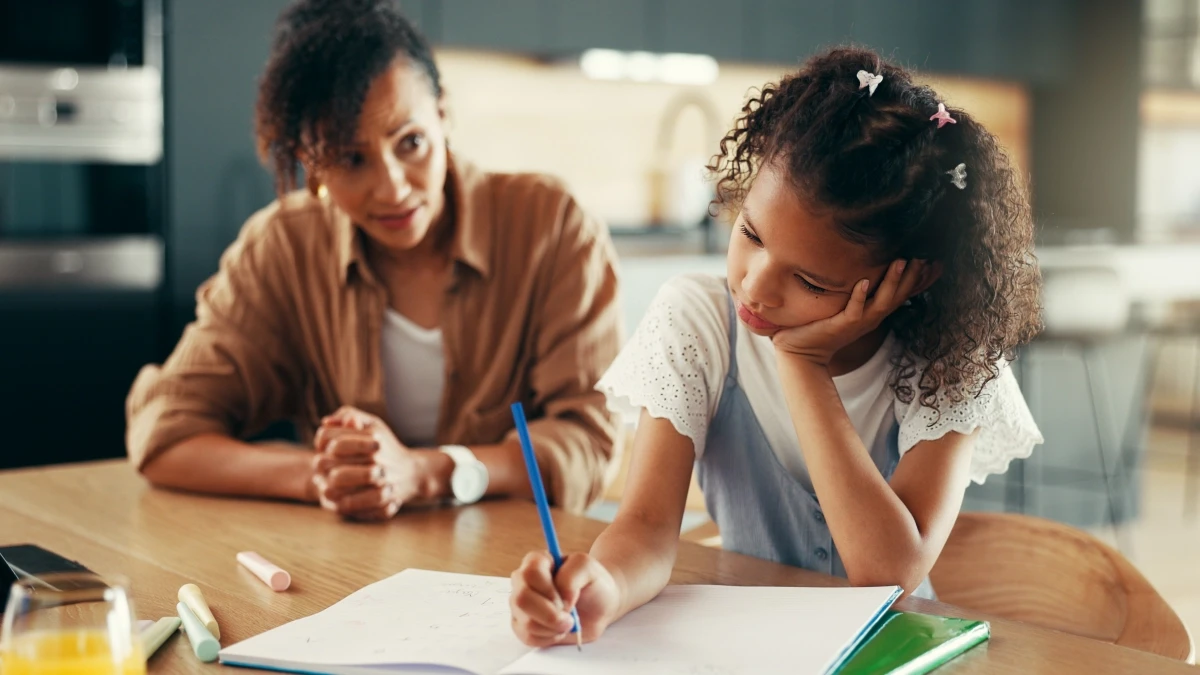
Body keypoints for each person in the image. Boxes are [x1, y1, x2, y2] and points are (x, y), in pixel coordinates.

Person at [509, 47, 1044, 646]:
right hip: (745, 646)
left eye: (812, 282)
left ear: (912, 278)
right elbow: (646, 528)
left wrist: (803, 363)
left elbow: (887, 572)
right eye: (751, 234)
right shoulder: (700, 322)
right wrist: (603, 583)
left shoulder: (950, 367)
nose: (756, 288)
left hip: (889, 653)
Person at [125, 0, 622, 519]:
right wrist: (326, 478)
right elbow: (164, 433)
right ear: (309, 164)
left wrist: (427, 472)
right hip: (350, 568)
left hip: (519, 568)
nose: (393, 188)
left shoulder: (550, 226)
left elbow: (588, 442)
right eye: (350, 159)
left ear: (443, 115)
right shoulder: (282, 249)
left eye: (410, 143)